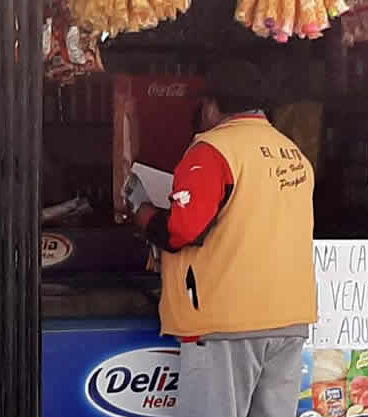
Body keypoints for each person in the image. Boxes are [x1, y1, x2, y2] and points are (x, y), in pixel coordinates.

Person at [123, 59, 318, 417]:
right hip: (290, 318)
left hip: (227, 321)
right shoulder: (293, 153)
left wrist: (142, 210)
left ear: (212, 105)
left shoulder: (213, 150)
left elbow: (182, 231)